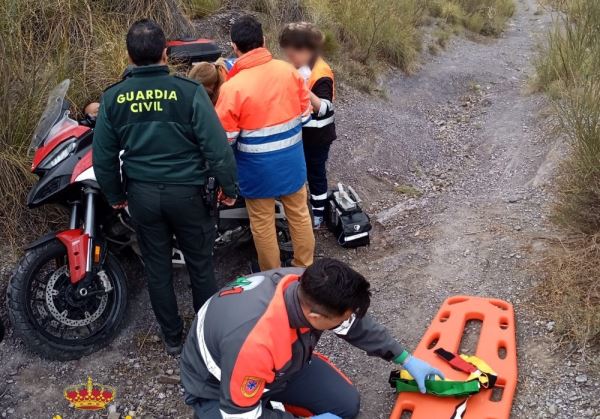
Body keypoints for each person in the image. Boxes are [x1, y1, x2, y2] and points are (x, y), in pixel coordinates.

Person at [93, 19, 238, 355]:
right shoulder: (189, 92)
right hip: (189, 194)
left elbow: (103, 157)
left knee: (157, 268)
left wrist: (115, 195)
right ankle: (206, 339)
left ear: (129, 57)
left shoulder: (113, 98)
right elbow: (216, 147)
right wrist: (229, 187)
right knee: (201, 266)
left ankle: (172, 337)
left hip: (143, 196)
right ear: (164, 52)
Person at [180, 258, 443, 418]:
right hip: (216, 389)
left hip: (281, 368)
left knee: (346, 406)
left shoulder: (305, 284)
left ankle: (273, 399)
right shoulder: (256, 342)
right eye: (340, 318)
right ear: (316, 317)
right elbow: (240, 416)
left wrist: (404, 358)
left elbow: (353, 325)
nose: (345, 322)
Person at [215, 15, 315, 271]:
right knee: (299, 214)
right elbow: (305, 115)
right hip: (292, 161)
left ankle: (272, 275)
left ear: (234, 47)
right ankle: (304, 266)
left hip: (256, 169)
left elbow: (225, 139)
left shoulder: (232, 87)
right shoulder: (288, 72)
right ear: (263, 41)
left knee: (262, 223)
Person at [280, 22, 336, 229]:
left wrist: (303, 89)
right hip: (301, 133)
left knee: (316, 173)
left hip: (318, 136)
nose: (289, 57)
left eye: (292, 53)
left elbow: (324, 108)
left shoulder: (321, 71)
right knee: (299, 172)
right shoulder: (299, 66)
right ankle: (301, 209)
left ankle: (318, 215)